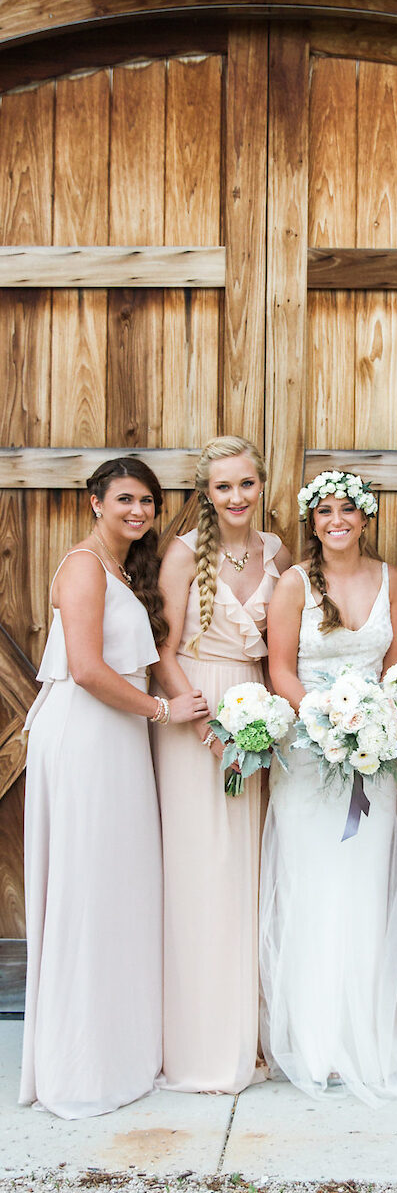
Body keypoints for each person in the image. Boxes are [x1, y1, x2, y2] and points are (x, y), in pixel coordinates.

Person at [20, 457, 209, 1119]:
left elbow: (155, 657)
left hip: (119, 741)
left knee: (117, 889)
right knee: (86, 888)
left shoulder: (127, 571)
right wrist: (162, 712)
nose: (137, 511)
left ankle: (118, 1049)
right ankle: (80, 1065)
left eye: (147, 502)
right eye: (125, 499)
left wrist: (198, 708)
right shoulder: (82, 566)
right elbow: (86, 668)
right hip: (85, 738)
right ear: (94, 500)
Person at [259, 470, 397, 1104]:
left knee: (363, 884)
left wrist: (375, 728)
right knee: (312, 883)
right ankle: (313, 1038)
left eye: (347, 510)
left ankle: (364, 1037)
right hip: (309, 756)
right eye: (324, 511)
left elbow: (391, 665)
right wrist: (328, 724)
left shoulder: (391, 581)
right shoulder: (295, 583)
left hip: (375, 761)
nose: (337, 521)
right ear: (313, 520)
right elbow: (279, 669)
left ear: (364, 518)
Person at [151, 436, 290, 1093]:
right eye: (222, 487)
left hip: (255, 717)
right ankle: (198, 1042)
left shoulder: (277, 552)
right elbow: (163, 649)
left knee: (246, 871)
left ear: (261, 485)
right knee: (199, 870)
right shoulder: (182, 554)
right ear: (205, 494)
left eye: (246, 484)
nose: (236, 497)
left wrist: (261, 728)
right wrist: (203, 724)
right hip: (196, 714)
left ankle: (248, 1036)